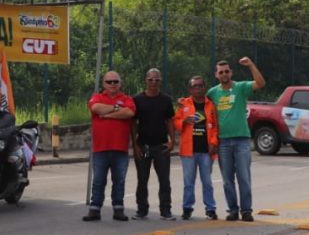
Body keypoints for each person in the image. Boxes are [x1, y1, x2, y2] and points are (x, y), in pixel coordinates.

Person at [208, 57, 265, 221]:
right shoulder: (213, 92)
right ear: (216, 75)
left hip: (241, 140)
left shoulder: (241, 87)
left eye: (227, 71)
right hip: (223, 142)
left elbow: (260, 83)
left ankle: (246, 211)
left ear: (231, 72)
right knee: (227, 180)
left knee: (244, 178)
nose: (224, 74)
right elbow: (199, 104)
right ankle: (232, 210)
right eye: (221, 72)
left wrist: (251, 65)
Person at [84, 71, 136, 221]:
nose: (112, 84)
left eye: (115, 81)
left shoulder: (127, 99)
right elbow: (95, 108)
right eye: (109, 82)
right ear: (103, 84)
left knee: (119, 180)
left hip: (120, 148)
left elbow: (129, 113)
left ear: (120, 83)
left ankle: (118, 209)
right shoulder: (97, 97)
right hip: (101, 148)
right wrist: (116, 108)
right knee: (99, 180)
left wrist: (106, 114)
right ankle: (95, 209)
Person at [131, 68, 175, 220]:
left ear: (160, 81)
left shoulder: (166, 100)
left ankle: (166, 210)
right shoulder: (137, 100)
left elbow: (169, 121)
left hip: (161, 146)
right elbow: (133, 123)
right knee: (142, 180)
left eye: (156, 80)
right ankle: (141, 210)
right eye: (151, 79)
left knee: (164, 180)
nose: (153, 83)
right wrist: (134, 145)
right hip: (143, 145)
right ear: (145, 80)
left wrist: (172, 141)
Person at [173, 75, 219, 220]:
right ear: (190, 89)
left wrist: (213, 143)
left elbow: (216, 126)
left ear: (204, 88)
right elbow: (175, 122)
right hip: (188, 151)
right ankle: (187, 208)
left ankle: (210, 209)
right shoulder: (183, 104)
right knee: (188, 182)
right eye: (194, 86)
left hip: (206, 150)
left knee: (207, 182)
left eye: (200, 86)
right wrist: (184, 122)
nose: (198, 88)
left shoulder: (210, 105)